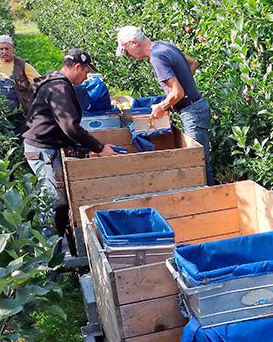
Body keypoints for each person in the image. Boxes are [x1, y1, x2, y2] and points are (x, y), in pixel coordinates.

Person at [21, 49, 117, 245]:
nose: (86, 77)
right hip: (42, 150)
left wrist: (85, 149)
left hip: (45, 146)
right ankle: (47, 255)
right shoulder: (59, 88)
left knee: (58, 199)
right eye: (86, 72)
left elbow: (62, 126)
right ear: (77, 67)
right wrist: (100, 148)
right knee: (53, 202)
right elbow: (70, 126)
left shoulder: (54, 82)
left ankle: (58, 241)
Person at [115, 26, 214, 184]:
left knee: (198, 163)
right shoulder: (164, 45)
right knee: (200, 160)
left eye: (127, 52)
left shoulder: (157, 57)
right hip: (195, 107)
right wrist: (182, 85)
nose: (129, 56)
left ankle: (211, 201)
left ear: (134, 43)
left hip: (192, 111)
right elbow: (193, 63)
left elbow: (178, 93)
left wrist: (161, 106)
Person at [0, 34, 39, 139]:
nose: (4, 52)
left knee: (16, 144)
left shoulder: (22, 66)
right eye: (1, 49)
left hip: (17, 116)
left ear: (13, 49)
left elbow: (40, 83)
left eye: (7, 48)